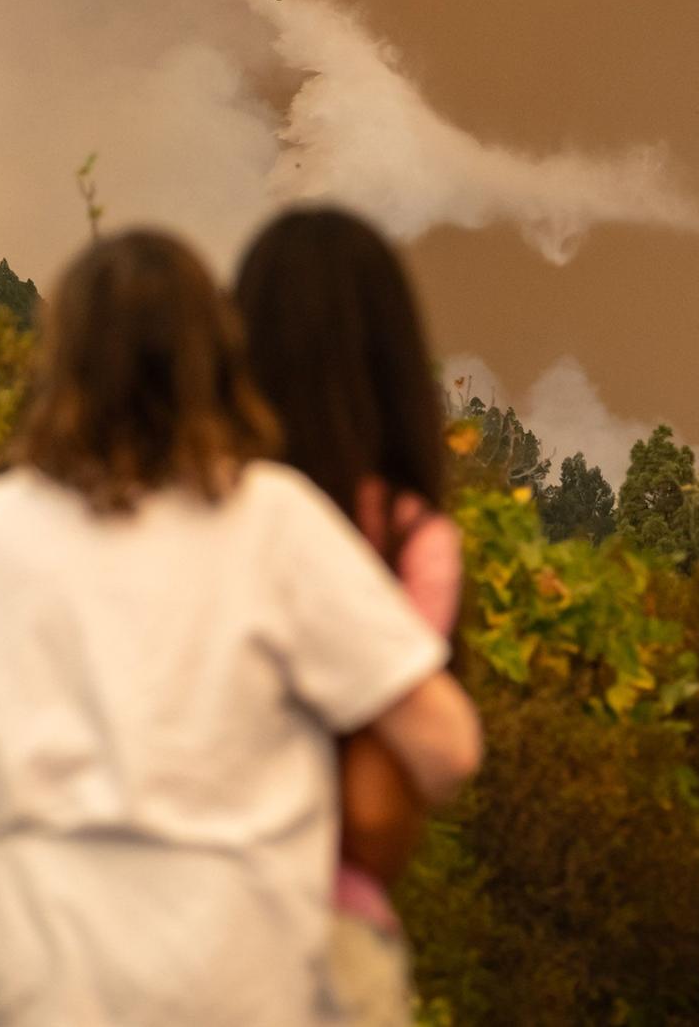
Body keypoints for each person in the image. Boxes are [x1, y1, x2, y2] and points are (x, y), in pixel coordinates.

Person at [0, 229, 481, 1026]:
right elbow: (446, 746)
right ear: (220, 361)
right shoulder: (274, 522)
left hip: (8, 966)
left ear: (61, 361)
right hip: (219, 970)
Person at [233, 206, 464, 1027]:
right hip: (316, 947)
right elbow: (369, 813)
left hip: (141, 926)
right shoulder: (404, 541)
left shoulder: (176, 510)